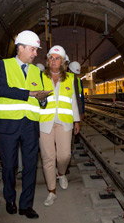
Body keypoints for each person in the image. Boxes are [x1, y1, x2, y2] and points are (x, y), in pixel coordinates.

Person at [0, 30, 51, 219]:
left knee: (30, 165)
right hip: (8, 124)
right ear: (20, 48)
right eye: (33, 49)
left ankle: (26, 205)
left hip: (30, 125)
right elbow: (2, 90)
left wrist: (42, 99)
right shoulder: (3, 65)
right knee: (9, 166)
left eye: (36, 50)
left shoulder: (36, 71)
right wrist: (30, 94)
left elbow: (41, 100)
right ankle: (10, 199)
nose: (35, 53)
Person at [39, 45, 80, 206]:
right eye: (51, 58)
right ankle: (51, 191)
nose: (53, 61)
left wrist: (76, 120)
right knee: (48, 157)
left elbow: (73, 102)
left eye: (57, 58)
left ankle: (61, 173)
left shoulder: (70, 78)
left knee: (64, 155)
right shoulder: (40, 77)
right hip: (45, 122)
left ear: (63, 62)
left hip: (64, 121)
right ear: (48, 60)